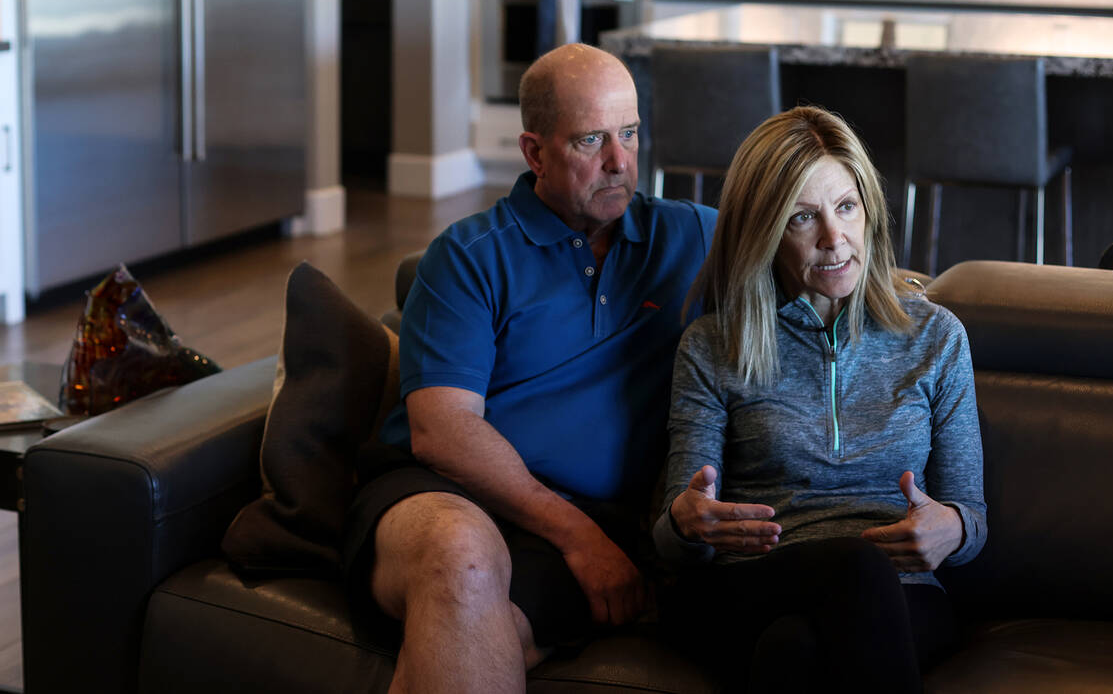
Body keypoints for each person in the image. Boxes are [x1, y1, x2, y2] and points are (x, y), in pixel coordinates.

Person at [342, 43, 717, 694]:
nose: (619, 162)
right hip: (436, 493)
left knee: (489, 636)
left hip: (596, 521)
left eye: (629, 134)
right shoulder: (468, 257)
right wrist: (581, 539)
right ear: (534, 152)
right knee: (460, 561)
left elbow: (827, 252)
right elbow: (442, 432)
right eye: (591, 140)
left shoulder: (691, 237)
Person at [654, 105, 986, 693]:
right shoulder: (711, 346)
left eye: (846, 207)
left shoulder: (936, 337)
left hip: (900, 593)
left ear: (868, 211)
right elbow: (677, 539)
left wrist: (952, 530)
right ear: (763, 232)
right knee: (852, 568)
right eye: (803, 218)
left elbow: (970, 516)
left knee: (795, 652)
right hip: (750, 583)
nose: (834, 239)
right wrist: (687, 522)